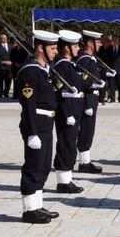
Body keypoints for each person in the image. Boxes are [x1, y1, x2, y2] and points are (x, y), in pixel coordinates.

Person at [17, 30, 61, 224]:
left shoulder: (45, 70)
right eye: (52, 48)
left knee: (43, 166)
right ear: (40, 48)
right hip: (35, 123)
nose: (56, 52)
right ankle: (29, 210)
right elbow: (28, 105)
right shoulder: (30, 70)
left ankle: (37, 205)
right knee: (33, 166)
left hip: (46, 123)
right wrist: (32, 133)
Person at [52, 30, 87, 194]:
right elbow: (59, 93)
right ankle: (63, 182)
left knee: (70, 145)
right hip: (68, 113)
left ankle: (67, 178)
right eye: (75, 45)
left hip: (75, 109)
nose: (78, 48)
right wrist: (68, 115)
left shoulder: (70, 64)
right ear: (66, 48)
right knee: (66, 145)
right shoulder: (62, 66)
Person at [76, 30, 105, 174]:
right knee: (86, 130)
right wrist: (88, 104)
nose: (100, 44)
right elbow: (84, 82)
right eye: (97, 41)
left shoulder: (90, 59)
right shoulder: (84, 60)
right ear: (89, 43)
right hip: (88, 99)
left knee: (89, 130)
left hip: (92, 98)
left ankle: (85, 160)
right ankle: (84, 162)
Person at [106, 35, 120, 102]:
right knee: (111, 85)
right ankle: (112, 98)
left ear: (118, 40)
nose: (115, 40)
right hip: (111, 69)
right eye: (113, 39)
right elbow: (107, 60)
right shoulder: (109, 49)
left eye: (116, 39)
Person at [0, 33, 13, 98]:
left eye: (5, 38)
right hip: (0, 67)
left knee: (8, 81)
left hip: (9, 67)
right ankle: (0, 94)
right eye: (2, 38)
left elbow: (13, 55)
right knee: (0, 81)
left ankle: (6, 93)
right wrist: (2, 61)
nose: (4, 39)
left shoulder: (11, 46)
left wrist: (11, 62)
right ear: (0, 39)